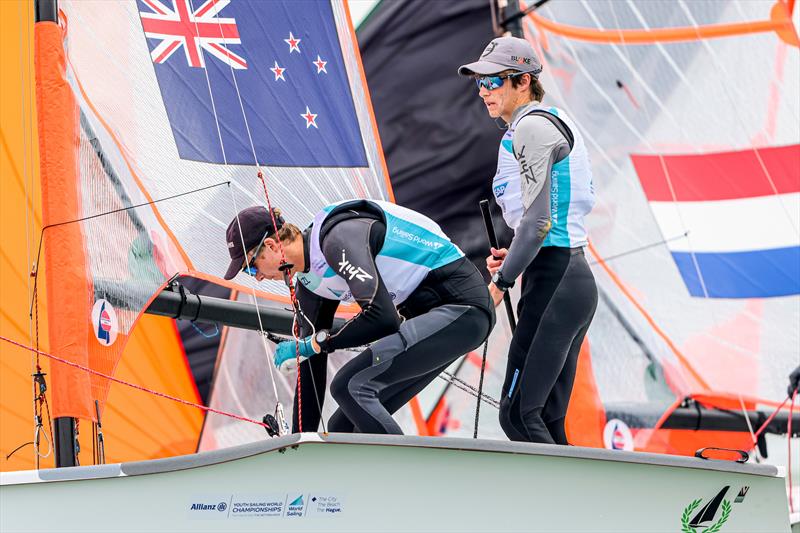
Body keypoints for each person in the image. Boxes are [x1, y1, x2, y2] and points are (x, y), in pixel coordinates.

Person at [223, 199, 494, 434]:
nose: (257, 277)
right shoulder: (309, 283)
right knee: (344, 427)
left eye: (250, 267)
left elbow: (383, 319)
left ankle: (409, 480)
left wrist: (317, 343)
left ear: (271, 246)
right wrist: (300, 443)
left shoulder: (336, 240)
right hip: (434, 321)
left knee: (349, 386)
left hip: (463, 308)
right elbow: (310, 366)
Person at [458, 36, 598, 444]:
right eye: (479, 84)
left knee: (518, 414)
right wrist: (517, 256)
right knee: (546, 419)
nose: (483, 92)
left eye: (493, 82)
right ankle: (578, 503)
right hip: (564, 278)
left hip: (555, 281)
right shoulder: (550, 120)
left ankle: (564, 506)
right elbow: (542, 223)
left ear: (523, 82)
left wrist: (500, 284)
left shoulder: (532, 128)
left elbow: (538, 224)